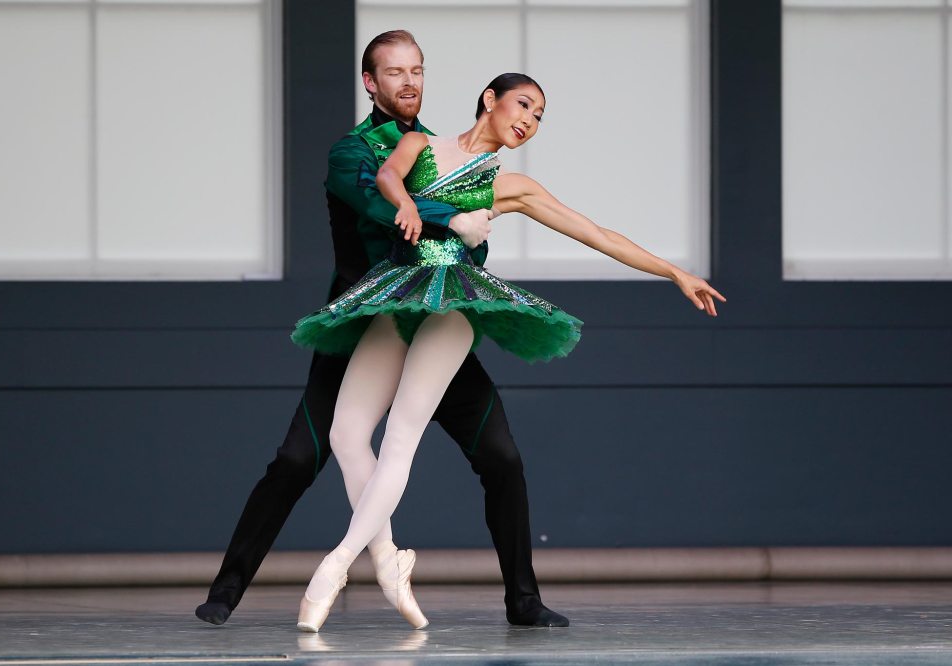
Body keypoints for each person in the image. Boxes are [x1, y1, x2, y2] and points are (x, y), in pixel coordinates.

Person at [291, 72, 726, 632]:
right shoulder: (418, 142)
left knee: (401, 436)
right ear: (489, 99)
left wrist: (673, 271)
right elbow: (387, 178)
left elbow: (596, 233)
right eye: (524, 104)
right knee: (346, 435)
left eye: (540, 116)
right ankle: (388, 560)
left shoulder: (511, 186)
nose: (530, 120)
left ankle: (335, 566)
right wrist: (412, 206)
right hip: (396, 291)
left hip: (453, 305)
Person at [196, 30, 569, 629]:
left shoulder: (433, 146)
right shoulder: (352, 152)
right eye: (395, 73)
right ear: (371, 83)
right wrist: (469, 217)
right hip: (362, 327)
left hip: (432, 319)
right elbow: (386, 207)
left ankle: (523, 599)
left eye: (417, 70)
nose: (410, 82)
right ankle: (230, 587)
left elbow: (469, 203)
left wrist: (479, 226)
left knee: (501, 457)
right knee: (299, 458)